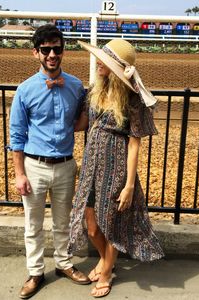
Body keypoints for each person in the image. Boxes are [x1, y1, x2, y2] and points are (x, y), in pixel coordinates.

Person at [68, 39, 165, 298]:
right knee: (91, 225)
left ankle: (108, 270)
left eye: (104, 60)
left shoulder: (133, 99)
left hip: (117, 166)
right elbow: (80, 124)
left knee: (111, 223)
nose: (98, 62)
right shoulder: (95, 91)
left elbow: (134, 144)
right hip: (91, 165)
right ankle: (105, 259)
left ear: (116, 67)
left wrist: (130, 185)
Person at [9, 24, 91, 299]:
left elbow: (79, 124)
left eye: (57, 48)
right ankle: (35, 272)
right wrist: (19, 173)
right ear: (36, 53)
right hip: (34, 167)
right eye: (46, 50)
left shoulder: (76, 86)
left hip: (66, 164)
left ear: (63, 51)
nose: (52, 54)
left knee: (62, 222)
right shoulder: (25, 90)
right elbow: (17, 134)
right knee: (33, 224)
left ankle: (64, 264)